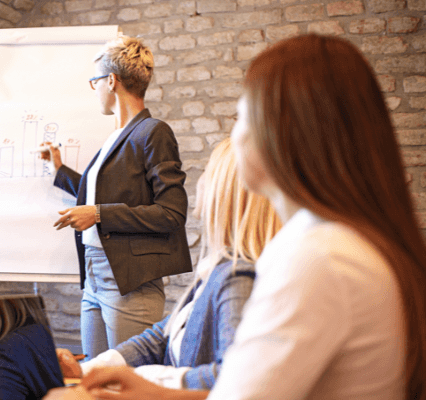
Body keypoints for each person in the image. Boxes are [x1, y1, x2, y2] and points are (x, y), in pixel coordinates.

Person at [46, 34, 426, 400]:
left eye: (241, 115)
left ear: (284, 132)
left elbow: (236, 391)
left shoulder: (318, 256)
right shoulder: (332, 243)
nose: (233, 137)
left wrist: (143, 386)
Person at [56, 138, 280, 390]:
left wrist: (150, 381)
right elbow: (159, 339)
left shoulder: (239, 277)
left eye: (207, 171)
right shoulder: (218, 268)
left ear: (225, 190)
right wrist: (86, 369)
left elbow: (234, 375)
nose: (200, 181)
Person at [39, 36, 192, 358]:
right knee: (96, 377)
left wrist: (98, 214)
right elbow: (101, 194)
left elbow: (171, 213)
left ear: (111, 80)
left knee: (128, 381)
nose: (94, 89)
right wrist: (59, 169)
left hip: (128, 279)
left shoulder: (153, 131)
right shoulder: (116, 137)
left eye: (95, 81)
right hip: (95, 273)